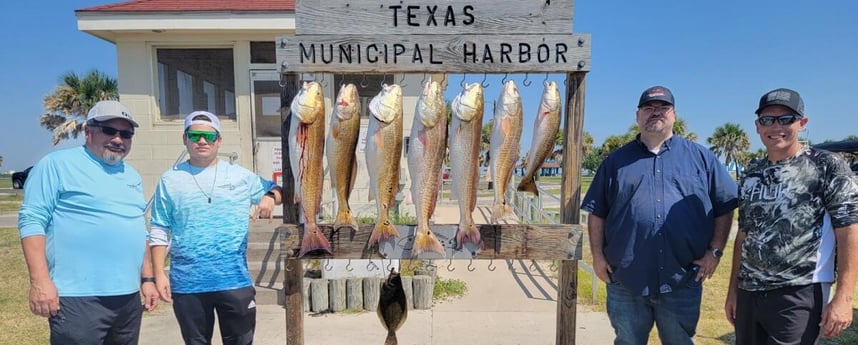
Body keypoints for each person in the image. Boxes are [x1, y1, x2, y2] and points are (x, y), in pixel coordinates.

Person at [581, 86, 738, 344]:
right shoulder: (615, 162)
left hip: (683, 278)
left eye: (663, 107)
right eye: (648, 108)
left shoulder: (701, 158)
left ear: (674, 114)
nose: (656, 113)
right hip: (626, 279)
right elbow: (597, 213)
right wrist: (597, 256)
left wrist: (715, 252)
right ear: (638, 116)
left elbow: (724, 205)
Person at [18, 100, 159, 344]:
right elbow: (32, 220)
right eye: (109, 130)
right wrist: (40, 282)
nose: (118, 139)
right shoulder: (56, 165)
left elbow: (138, 229)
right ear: (87, 131)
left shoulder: (132, 176)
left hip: (127, 298)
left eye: (126, 134)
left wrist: (147, 280)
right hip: (78, 298)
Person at [725, 88, 858, 344]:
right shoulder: (752, 172)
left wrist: (844, 297)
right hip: (749, 290)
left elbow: (849, 231)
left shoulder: (827, 165)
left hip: (800, 291)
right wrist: (733, 291)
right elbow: (743, 236)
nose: (776, 126)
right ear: (757, 126)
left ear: (802, 123)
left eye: (785, 119)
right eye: (767, 120)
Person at [148, 111, 283, 345]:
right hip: (188, 285)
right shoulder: (170, 180)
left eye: (209, 137)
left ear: (219, 141)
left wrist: (271, 196)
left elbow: (281, 189)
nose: (202, 141)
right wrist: (159, 274)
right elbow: (159, 229)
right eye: (195, 135)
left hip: (234, 281)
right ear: (185, 139)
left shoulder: (241, 176)